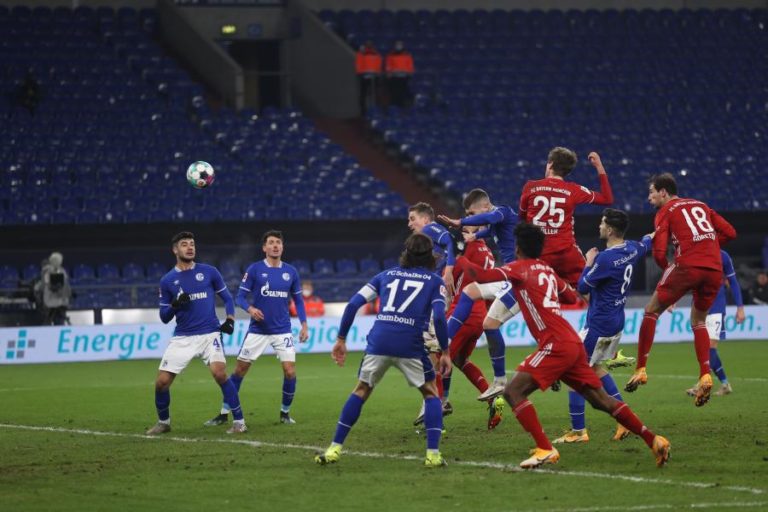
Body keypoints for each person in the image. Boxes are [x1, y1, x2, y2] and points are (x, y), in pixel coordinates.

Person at [463, 223, 670, 469]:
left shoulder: (518, 268)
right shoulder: (548, 271)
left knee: (513, 392)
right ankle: (653, 439)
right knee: (600, 400)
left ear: (517, 248)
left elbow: (482, 276)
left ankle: (545, 448)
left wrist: (460, 259)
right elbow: (571, 296)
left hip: (555, 344)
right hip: (571, 341)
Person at [314, 233, 452, 468]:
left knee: (361, 390)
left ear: (405, 254)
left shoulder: (385, 275)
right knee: (430, 393)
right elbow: (439, 316)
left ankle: (334, 448)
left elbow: (353, 304)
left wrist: (340, 339)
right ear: (431, 257)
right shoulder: (434, 281)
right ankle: (433, 455)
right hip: (410, 342)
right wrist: (445, 352)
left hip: (379, 340)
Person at [625, 173, 737, 407]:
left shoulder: (665, 211)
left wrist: (669, 269)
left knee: (651, 310)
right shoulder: (701, 205)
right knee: (698, 320)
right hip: (714, 269)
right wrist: (707, 246)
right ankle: (705, 375)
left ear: (664, 192)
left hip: (687, 265)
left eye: (652, 192)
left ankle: (641, 369)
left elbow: (657, 252)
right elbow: (731, 233)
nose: (649, 198)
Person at [552, 209, 652, 444]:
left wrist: (588, 262)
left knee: (573, 372)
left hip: (599, 324)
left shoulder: (605, 259)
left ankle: (579, 431)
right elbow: (648, 240)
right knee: (596, 369)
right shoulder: (632, 249)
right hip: (616, 321)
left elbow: (583, 287)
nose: (599, 226)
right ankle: (623, 420)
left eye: (602, 223)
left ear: (609, 230)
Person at [205, 230, 309, 427]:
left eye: (278, 242)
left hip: (283, 330)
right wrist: (251, 309)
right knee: (240, 370)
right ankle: (224, 412)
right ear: (264, 247)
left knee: (290, 371)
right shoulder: (254, 270)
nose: (275, 245)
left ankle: (285, 413)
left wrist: (304, 324)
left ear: (282, 247)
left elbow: (299, 300)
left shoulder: (291, 272)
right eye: (271, 242)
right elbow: (240, 298)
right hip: (258, 331)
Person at [146, 232, 244, 436]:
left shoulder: (209, 272)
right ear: (175, 250)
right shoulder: (167, 280)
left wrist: (231, 319)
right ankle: (164, 422)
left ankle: (239, 422)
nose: (190, 247)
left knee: (220, 373)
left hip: (210, 334)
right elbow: (164, 316)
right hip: (183, 336)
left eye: (192, 244)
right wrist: (175, 305)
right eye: (184, 244)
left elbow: (227, 298)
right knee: (161, 382)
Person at [437, 189, 518, 400]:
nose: (472, 219)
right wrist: (474, 234)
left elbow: (491, 218)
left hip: (521, 273)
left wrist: (460, 224)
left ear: (484, 206)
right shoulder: (486, 239)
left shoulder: (502, 212)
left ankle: (439, 403)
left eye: (473, 214)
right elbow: (489, 229)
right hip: (510, 276)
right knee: (483, 317)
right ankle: (499, 381)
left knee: (439, 359)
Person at [439, 225, 506, 430]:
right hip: (479, 313)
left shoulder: (462, 256)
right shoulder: (485, 250)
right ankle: (492, 398)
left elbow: (448, 291)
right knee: (460, 359)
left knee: (441, 358)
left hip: (462, 311)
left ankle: (441, 404)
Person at [519, 148, 614, 287]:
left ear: (550, 164)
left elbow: (522, 218)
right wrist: (599, 167)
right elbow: (607, 199)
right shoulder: (573, 190)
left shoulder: (530, 187)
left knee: (527, 290)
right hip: (566, 254)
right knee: (588, 288)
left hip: (538, 253)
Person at [407, 202, 455, 422]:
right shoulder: (426, 243)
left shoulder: (430, 229)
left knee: (429, 349)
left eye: (412, 219)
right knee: (431, 350)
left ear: (425, 219)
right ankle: (437, 401)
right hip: (430, 293)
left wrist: (450, 270)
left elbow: (449, 240)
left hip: (435, 294)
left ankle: (434, 403)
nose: (410, 224)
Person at [684, 249, 745, 397]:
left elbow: (733, 282)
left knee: (709, 346)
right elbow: (685, 281)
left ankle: (702, 383)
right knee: (706, 348)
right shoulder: (695, 254)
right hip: (698, 308)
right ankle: (724, 384)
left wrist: (740, 307)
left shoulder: (723, 256)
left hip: (716, 307)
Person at [42, 252, 72, 326]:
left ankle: (60, 326)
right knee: (51, 317)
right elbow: (47, 283)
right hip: (50, 297)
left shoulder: (62, 271)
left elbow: (65, 282)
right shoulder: (47, 271)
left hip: (62, 296)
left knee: (59, 319)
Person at [355, 40, 382, 115]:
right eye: (367, 44)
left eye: (370, 44)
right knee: (363, 94)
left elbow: (378, 65)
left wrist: (377, 73)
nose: (369, 45)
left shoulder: (376, 54)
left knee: (374, 93)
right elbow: (358, 64)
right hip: (364, 76)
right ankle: (363, 110)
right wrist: (360, 73)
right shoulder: (361, 53)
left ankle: (375, 109)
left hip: (374, 76)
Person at [385, 40, 414, 108]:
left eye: (400, 45)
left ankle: (403, 107)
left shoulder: (407, 55)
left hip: (404, 77)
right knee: (394, 93)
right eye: (397, 45)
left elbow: (410, 65)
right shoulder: (390, 55)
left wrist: (409, 73)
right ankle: (394, 107)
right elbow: (388, 65)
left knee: (403, 92)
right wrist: (389, 72)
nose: (398, 46)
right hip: (394, 77)